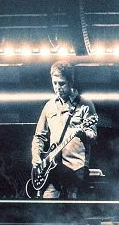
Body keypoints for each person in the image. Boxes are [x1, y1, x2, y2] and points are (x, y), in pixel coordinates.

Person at [30, 60, 99, 199]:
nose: (57, 87)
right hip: (51, 168)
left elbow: (93, 136)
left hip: (75, 167)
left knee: (72, 211)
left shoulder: (85, 105)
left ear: (71, 82)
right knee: (50, 209)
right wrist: (36, 158)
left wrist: (83, 133)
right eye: (54, 83)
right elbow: (39, 137)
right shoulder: (49, 106)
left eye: (61, 83)